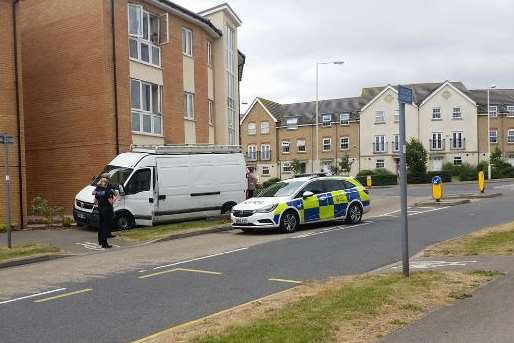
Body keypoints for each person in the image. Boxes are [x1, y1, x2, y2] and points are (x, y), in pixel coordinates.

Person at [93, 177, 117, 248]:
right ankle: (105, 244)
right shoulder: (108, 191)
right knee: (105, 227)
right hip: (107, 211)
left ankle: (100, 241)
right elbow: (111, 202)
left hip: (100, 210)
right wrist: (116, 198)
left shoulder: (98, 190)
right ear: (107, 183)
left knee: (101, 226)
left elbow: (95, 202)